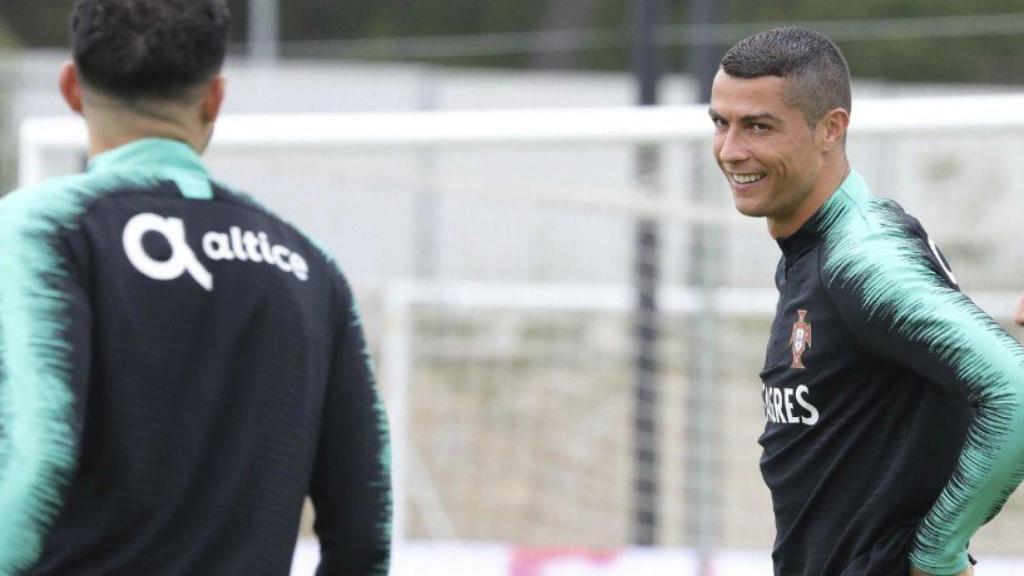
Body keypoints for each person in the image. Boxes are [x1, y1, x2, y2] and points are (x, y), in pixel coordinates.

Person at [0, 1, 391, 575]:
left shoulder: (40, 228)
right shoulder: (310, 266)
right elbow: (363, 531)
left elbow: (34, 454)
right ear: (214, 97)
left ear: (71, 87)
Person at [709, 26, 1024, 576]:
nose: (732, 151)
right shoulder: (815, 249)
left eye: (759, 127)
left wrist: (938, 553)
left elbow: (1015, 394)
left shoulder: (863, 256)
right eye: (721, 124)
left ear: (831, 129)